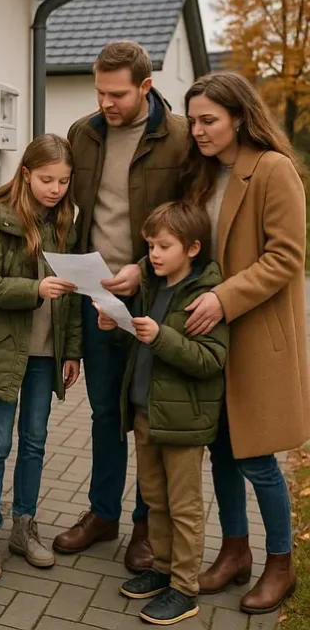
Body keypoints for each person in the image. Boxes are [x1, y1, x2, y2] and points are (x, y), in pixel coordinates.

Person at [55, 41, 189, 573]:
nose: (106, 103)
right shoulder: (82, 134)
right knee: (105, 413)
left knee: (147, 414)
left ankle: (145, 526)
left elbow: (190, 217)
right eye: (99, 92)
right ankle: (103, 514)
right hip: (96, 296)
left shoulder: (179, 138)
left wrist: (143, 265)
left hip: (155, 297)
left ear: (146, 87)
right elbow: (65, 201)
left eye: (117, 94)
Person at [181, 72, 309, 615]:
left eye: (208, 120)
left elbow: (286, 257)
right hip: (212, 338)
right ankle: (235, 553)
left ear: (239, 116)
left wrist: (224, 299)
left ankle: (281, 565)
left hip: (253, 334)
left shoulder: (274, 170)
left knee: (257, 459)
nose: (198, 130)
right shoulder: (205, 173)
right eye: (192, 121)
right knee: (221, 454)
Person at [0, 134, 83, 583]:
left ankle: (24, 528)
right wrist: (33, 289)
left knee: (35, 441)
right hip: (3, 350)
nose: (55, 189)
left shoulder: (66, 221)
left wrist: (71, 350)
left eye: (64, 181)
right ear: (26, 174)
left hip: (47, 354)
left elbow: (74, 296)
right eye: (47, 179)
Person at [95, 201, 228, 626]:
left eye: (163, 246)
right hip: (145, 413)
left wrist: (162, 337)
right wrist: (118, 329)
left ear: (191, 248)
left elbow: (211, 360)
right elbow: (141, 348)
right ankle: (163, 567)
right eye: (150, 244)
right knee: (154, 498)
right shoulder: (152, 286)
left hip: (183, 422)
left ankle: (185, 589)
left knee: (184, 505)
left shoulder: (204, 293)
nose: (152, 253)